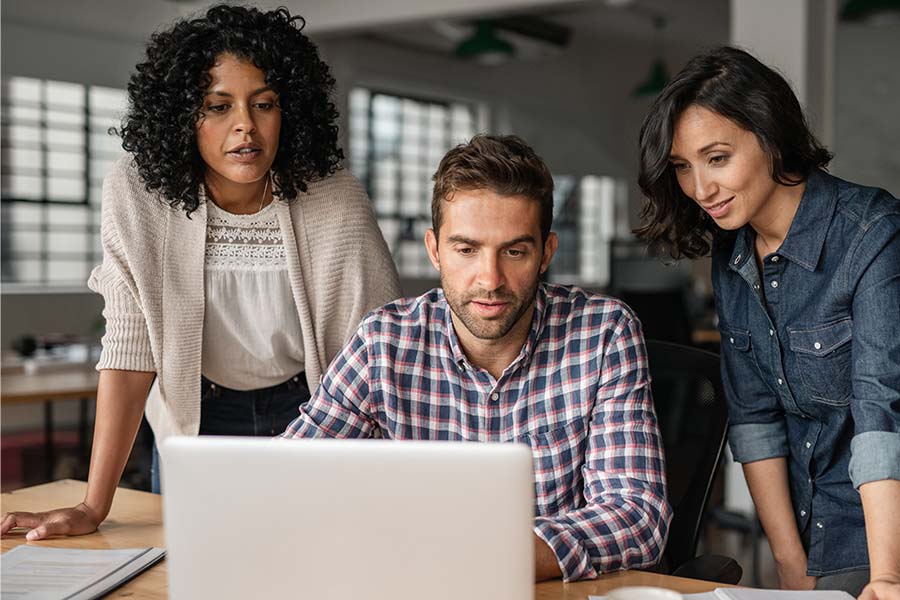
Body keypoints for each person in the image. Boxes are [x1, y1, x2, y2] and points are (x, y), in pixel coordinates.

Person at [1, 5, 399, 540]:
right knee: (191, 571)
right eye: (218, 106)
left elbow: (375, 355)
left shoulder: (335, 199)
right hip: (196, 416)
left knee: (307, 557)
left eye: (265, 104)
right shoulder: (136, 193)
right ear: (182, 115)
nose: (245, 126)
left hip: (315, 414)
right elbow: (129, 350)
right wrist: (94, 505)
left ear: (290, 111)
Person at [281, 134, 671, 582]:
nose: (490, 279)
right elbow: (289, 478)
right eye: (466, 250)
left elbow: (637, 515)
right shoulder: (384, 341)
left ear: (545, 253)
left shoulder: (603, 333)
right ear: (435, 251)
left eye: (515, 251)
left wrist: (487, 557)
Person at [635, 46, 900, 599]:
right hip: (811, 531)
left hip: (882, 528)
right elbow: (755, 419)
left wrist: (887, 574)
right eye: (683, 167)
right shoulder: (732, 254)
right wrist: (788, 561)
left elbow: (881, 411)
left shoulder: (872, 232)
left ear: (772, 135)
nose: (700, 190)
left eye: (717, 158)